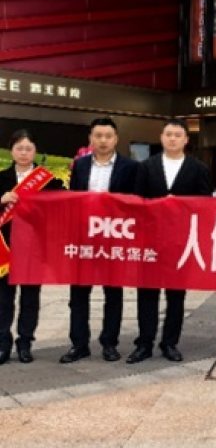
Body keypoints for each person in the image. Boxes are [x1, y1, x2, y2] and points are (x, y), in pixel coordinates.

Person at [127, 119, 213, 364]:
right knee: (147, 294)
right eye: (168, 134)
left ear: (186, 140)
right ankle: (144, 343)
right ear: (161, 138)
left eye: (177, 135)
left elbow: (205, 203)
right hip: (150, 240)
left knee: (176, 295)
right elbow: (136, 202)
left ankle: (170, 343)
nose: (172, 138)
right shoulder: (146, 166)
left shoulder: (198, 168)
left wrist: (181, 204)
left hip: (181, 242)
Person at [60, 117, 141, 364]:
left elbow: (136, 203)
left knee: (113, 294)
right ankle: (79, 344)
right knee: (78, 295)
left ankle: (109, 343)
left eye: (108, 136)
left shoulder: (130, 167)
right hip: (84, 239)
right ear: (90, 139)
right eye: (98, 136)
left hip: (114, 238)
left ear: (116, 139)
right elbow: (73, 199)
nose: (103, 140)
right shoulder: (80, 165)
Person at [0, 130, 64, 364]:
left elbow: (63, 205)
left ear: (35, 151)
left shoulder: (48, 180)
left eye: (28, 148)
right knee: (3, 300)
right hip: (5, 249)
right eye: (19, 148)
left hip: (34, 249)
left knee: (30, 298)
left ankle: (25, 343)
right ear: (12, 151)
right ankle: (2, 343)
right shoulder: (1, 178)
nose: (24, 153)